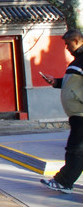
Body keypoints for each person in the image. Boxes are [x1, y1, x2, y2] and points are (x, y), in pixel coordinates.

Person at [40, 29, 83, 194]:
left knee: (75, 150)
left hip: (81, 114)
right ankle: (63, 181)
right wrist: (56, 81)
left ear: (77, 40)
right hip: (77, 114)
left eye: (68, 43)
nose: (66, 47)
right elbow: (74, 85)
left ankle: (64, 182)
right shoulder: (78, 61)